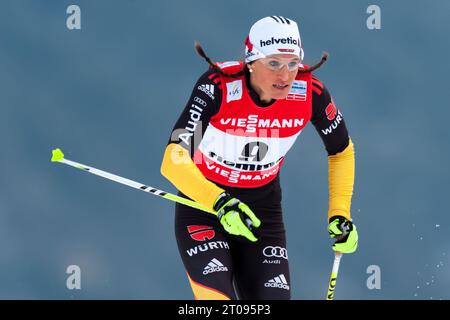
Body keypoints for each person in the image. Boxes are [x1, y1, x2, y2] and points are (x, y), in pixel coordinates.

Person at [160, 16, 358, 300]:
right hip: (204, 206)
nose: (286, 75)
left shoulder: (310, 94)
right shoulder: (218, 88)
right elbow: (174, 157)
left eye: (293, 64)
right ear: (251, 61)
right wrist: (219, 201)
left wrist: (339, 213)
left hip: (261, 212)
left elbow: (341, 150)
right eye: (274, 63)